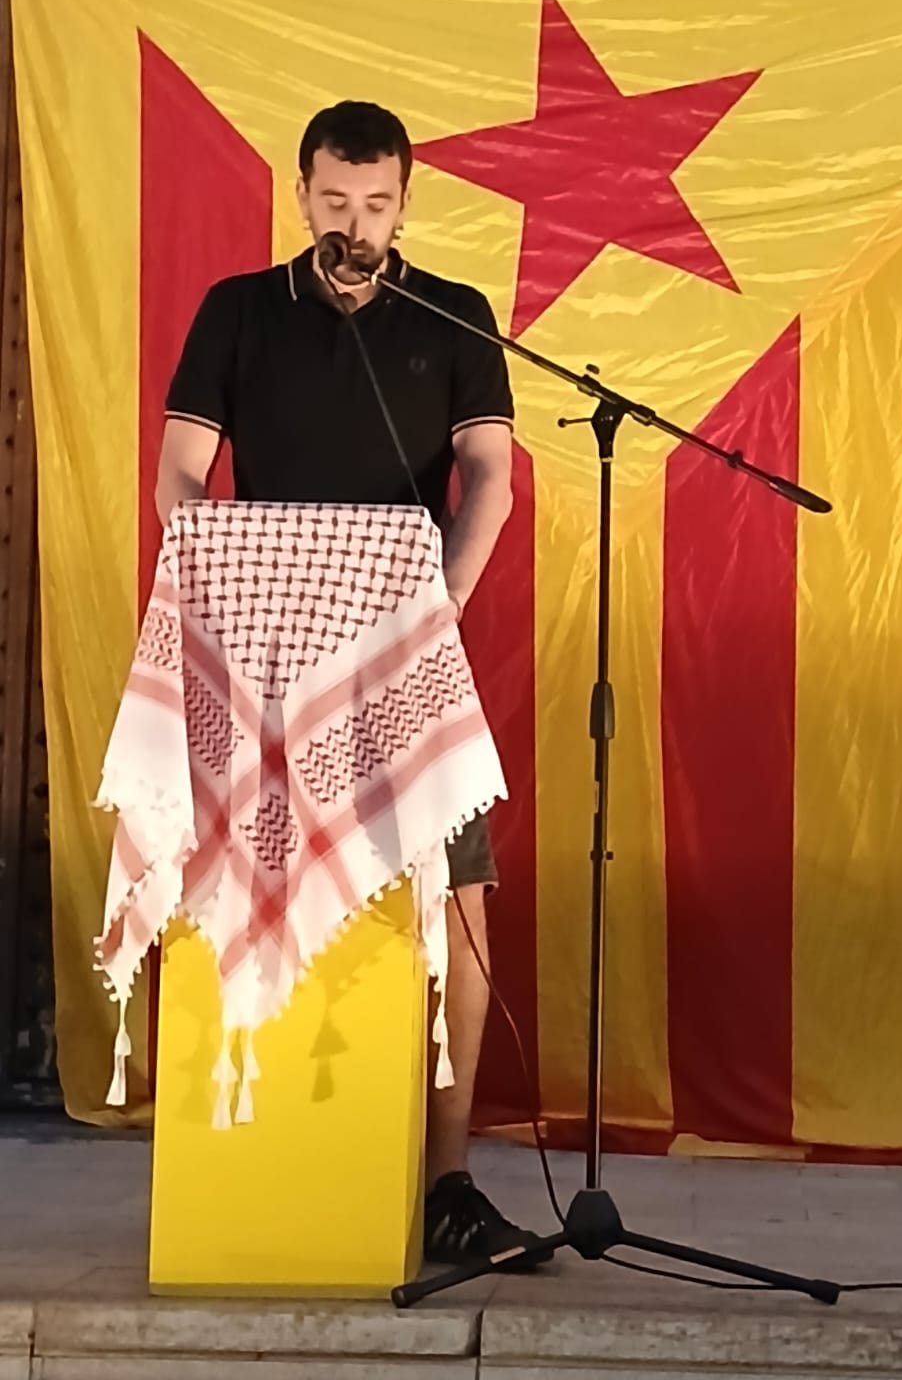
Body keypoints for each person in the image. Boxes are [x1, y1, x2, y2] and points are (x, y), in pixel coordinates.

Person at [154, 99, 545, 1270]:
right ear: (301, 196)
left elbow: (489, 477)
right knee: (227, 874)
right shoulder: (237, 310)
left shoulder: (454, 315)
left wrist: (441, 605)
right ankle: (256, 1153)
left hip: (406, 652)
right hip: (261, 655)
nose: (355, 225)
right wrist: (222, 589)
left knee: (460, 892)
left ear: (406, 204)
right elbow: (181, 474)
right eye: (334, 201)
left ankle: (447, 1180)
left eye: (376, 205)